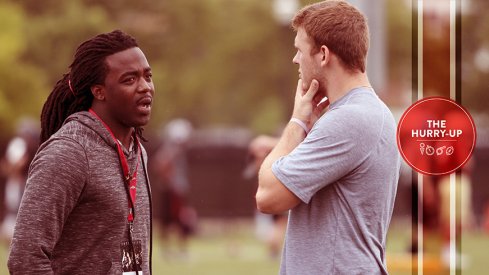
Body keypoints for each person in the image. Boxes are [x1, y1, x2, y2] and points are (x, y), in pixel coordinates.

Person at [255, 1, 401, 274]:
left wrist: (297, 122)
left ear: (323, 54)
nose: (295, 59)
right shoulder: (363, 113)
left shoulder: (349, 120)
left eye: (299, 50)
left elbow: (267, 196)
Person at [8, 30, 155, 275]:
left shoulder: (137, 150)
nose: (145, 87)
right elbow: (25, 259)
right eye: (129, 80)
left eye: (147, 76)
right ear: (99, 91)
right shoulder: (69, 152)